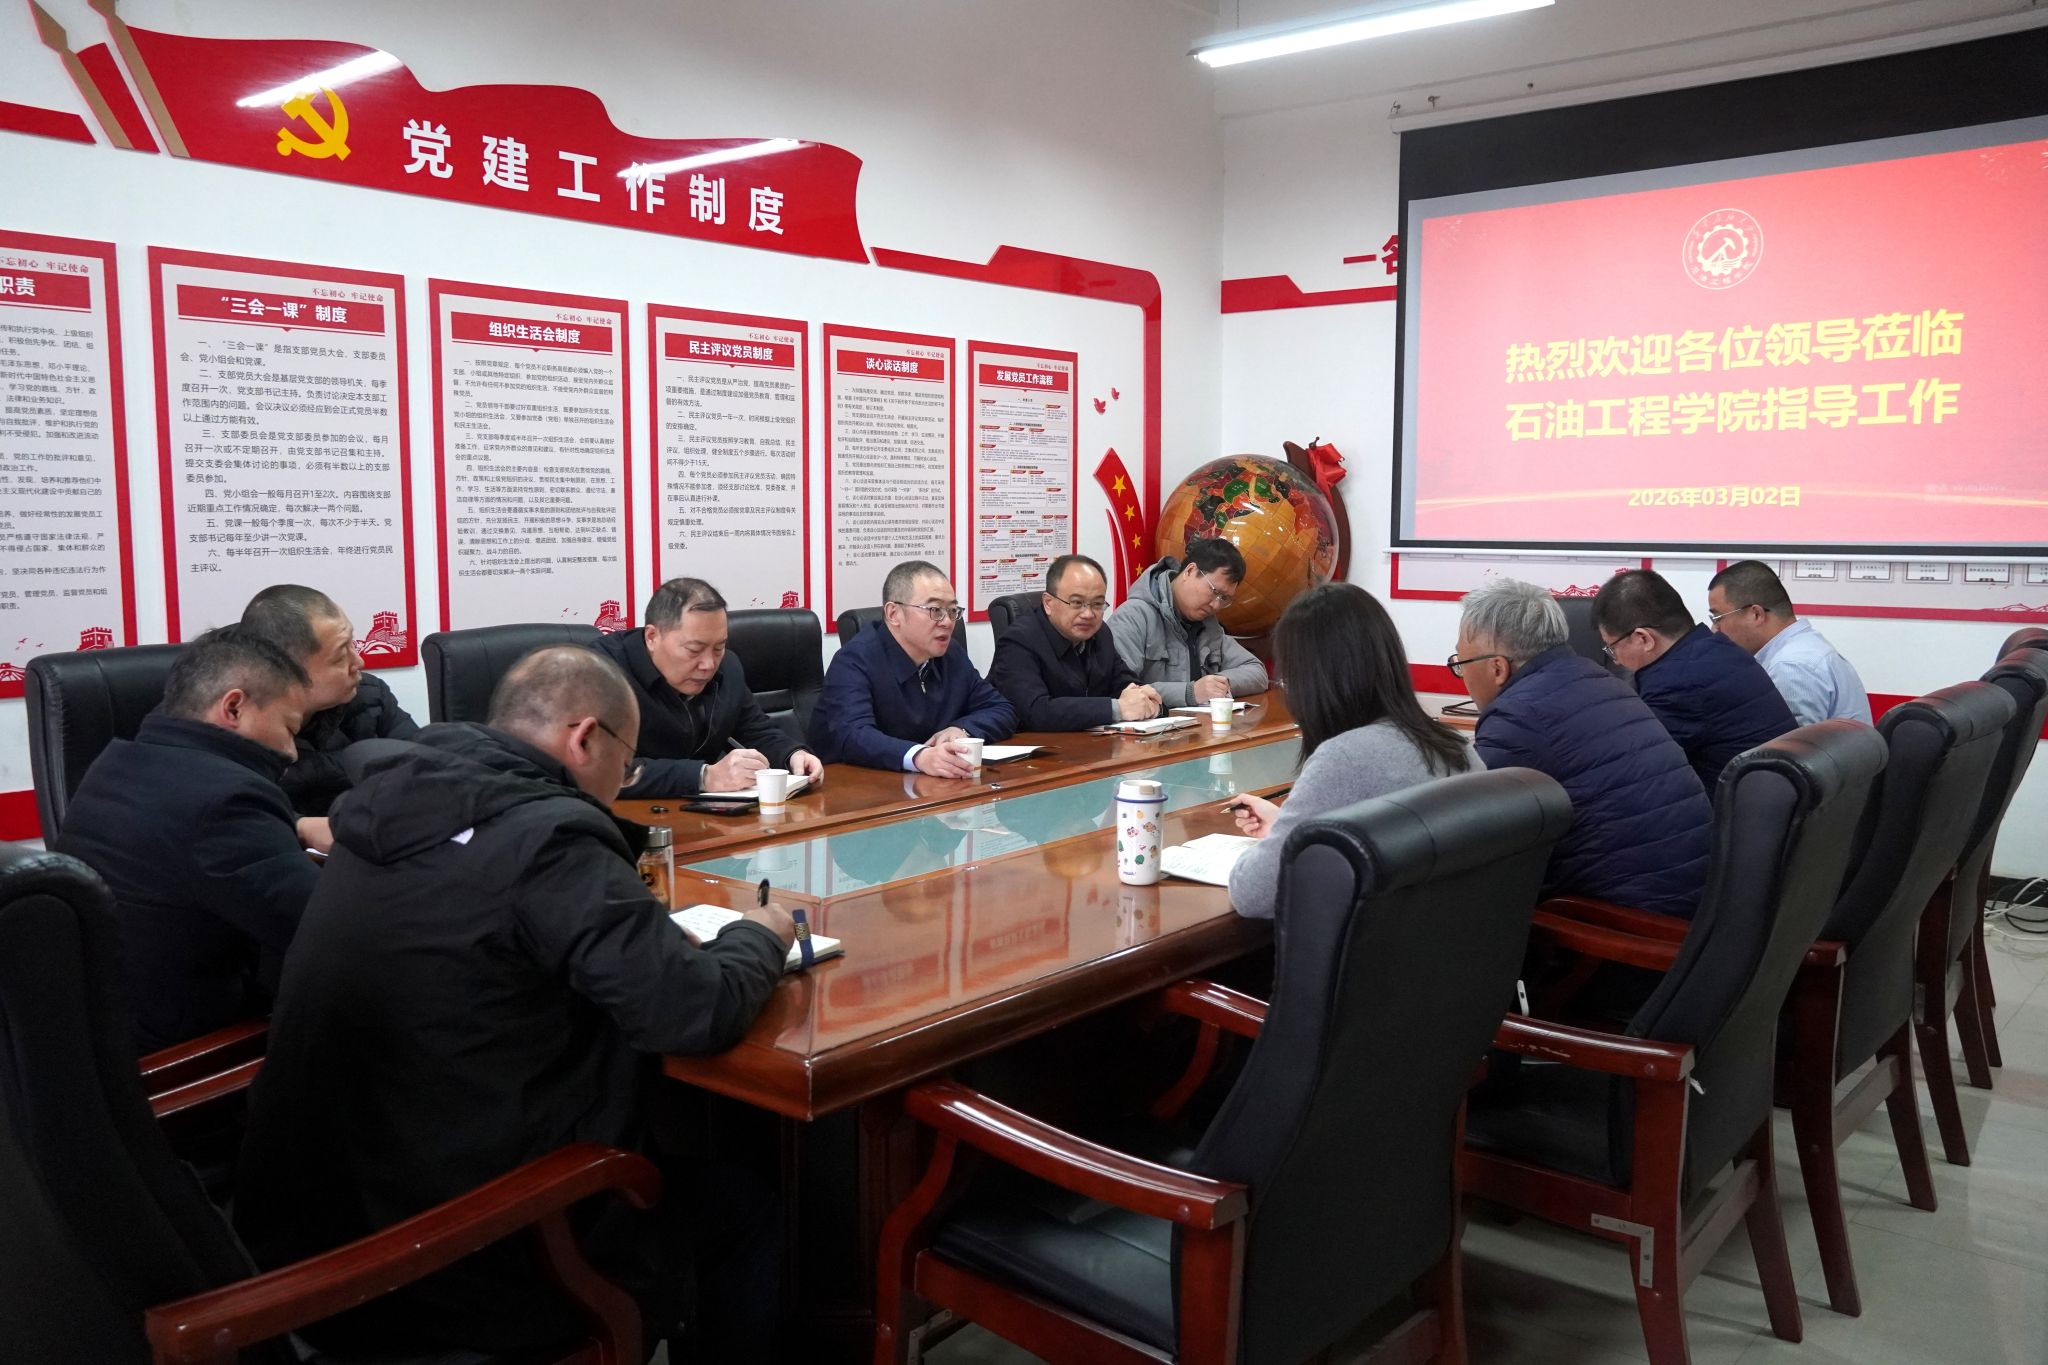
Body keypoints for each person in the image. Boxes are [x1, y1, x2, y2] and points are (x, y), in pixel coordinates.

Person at [233, 645, 796, 1360]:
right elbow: (692, 1011)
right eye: (627, 765)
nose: (623, 784)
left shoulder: (393, 801)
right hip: (462, 1258)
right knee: (748, 1208)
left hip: (312, 1230)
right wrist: (760, 934)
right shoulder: (548, 836)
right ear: (584, 738)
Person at [52, 626, 328, 1052]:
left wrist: (295, 825)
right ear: (233, 707)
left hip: (100, 1024)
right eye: (289, 728)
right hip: (185, 1050)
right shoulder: (228, 801)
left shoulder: (114, 764)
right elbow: (325, 930)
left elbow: (183, 838)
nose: (292, 751)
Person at [1455, 580, 1712, 919]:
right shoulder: (1601, 679)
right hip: (1696, 897)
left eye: (1460, 664)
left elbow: (1469, 832)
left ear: (1497, 668)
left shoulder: (1518, 716)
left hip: (1634, 925)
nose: (1462, 675)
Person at [1225, 584, 1475, 919]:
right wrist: (1288, 827)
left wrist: (1261, 851)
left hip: (1380, 950)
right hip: (1449, 944)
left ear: (1311, 682)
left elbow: (1253, 893)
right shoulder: (1456, 745)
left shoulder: (1343, 759)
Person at [594, 576, 825, 796]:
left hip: (705, 813)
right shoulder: (601, 672)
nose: (709, 664)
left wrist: (792, 754)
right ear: (652, 637)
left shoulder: (728, 667)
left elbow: (754, 729)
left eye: (718, 647)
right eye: (694, 650)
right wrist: (703, 776)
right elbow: (601, 768)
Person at [1591, 568, 1798, 791]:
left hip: (1735, 806)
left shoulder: (1676, 684)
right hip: (1770, 795)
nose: (1616, 661)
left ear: (1644, 639)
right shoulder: (1717, 647)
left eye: (1612, 648)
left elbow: (1635, 766)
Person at [808, 560, 1017, 775]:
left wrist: (961, 729)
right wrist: (919, 756)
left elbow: (1002, 709)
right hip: (857, 785)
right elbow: (853, 735)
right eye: (935, 610)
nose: (947, 622)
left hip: (930, 784)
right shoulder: (854, 660)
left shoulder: (950, 654)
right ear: (893, 614)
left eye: (952, 610)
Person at [241, 584, 419, 815]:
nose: (359, 662)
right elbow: (241, 812)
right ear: (287, 669)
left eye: (351, 643)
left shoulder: (370, 695)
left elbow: (422, 768)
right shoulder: (240, 722)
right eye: (340, 655)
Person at [989, 554, 1162, 729]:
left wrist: (1146, 700)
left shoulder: (1100, 633)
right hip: (1034, 744)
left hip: (1090, 741)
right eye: (1077, 603)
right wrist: (1118, 708)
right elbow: (1035, 711)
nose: (1088, 614)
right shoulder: (1018, 641)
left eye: (1097, 604)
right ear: (1048, 603)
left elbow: (1125, 684)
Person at [1707, 560, 1873, 726]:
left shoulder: (1790, 667)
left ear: (1756, 614)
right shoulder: (1805, 647)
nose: (1715, 629)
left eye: (1718, 618)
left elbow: (1792, 742)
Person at [1108, 539, 1270, 707]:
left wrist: (1217, 685)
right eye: (1214, 591)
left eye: (1224, 598)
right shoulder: (1132, 618)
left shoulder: (1209, 626)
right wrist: (1190, 693)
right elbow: (1119, 692)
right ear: (1190, 571)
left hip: (1200, 723)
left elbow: (1257, 671)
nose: (1216, 605)